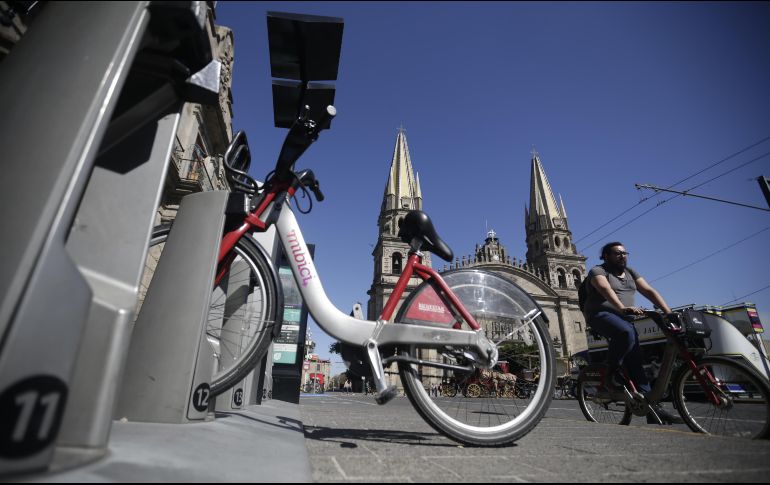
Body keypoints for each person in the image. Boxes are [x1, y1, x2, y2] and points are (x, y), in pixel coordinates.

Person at [583, 241, 683, 425]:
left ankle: (653, 409)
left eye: (624, 253)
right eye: (617, 253)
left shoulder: (631, 273)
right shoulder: (598, 271)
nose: (622, 256)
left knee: (636, 361)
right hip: (600, 315)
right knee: (625, 332)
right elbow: (605, 289)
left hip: (624, 318)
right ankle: (610, 376)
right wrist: (622, 308)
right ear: (606, 256)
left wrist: (669, 312)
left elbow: (649, 290)